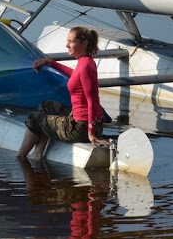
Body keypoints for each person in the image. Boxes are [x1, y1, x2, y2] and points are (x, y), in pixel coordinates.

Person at [16, 26, 109, 160]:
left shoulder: (85, 66)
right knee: (46, 106)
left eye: (71, 41)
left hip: (79, 128)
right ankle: (38, 154)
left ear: (84, 43)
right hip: (85, 122)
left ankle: (20, 157)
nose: (67, 45)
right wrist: (50, 62)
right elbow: (74, 75)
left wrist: (91, 134)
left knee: (34, 119)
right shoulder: (85, 62)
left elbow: (92, 101)